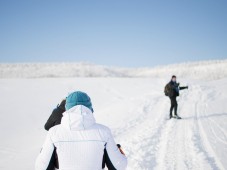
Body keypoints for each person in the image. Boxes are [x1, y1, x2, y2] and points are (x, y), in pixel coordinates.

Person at [35, 91, 127, 170]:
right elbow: (119, 166)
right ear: (90, 108)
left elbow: (42, 167)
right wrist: (118, 150)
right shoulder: (104, 132)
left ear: (66, 108)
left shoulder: (54, 133)